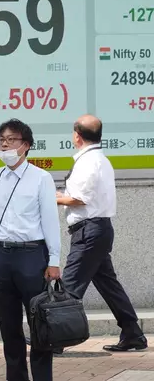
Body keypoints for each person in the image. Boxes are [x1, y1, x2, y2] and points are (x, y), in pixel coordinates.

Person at [0, 119, 60, 381]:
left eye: (12, 139)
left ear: (26, 145)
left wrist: (54, 259)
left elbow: (50, 221)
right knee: (9, 328)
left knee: (39, 326)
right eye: (1, 140)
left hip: (32, 256)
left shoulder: (41, 178)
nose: (5, 144)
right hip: (0, 258)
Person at [56, 114, 148, 352]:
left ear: (77, 136)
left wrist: (51, 198)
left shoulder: (88, 162)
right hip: (97, 230)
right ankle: (133, 333)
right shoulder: (99, 159)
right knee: (109, 286)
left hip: (89, 231)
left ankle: (54, 339)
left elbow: (78, 199)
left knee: (69, 287)